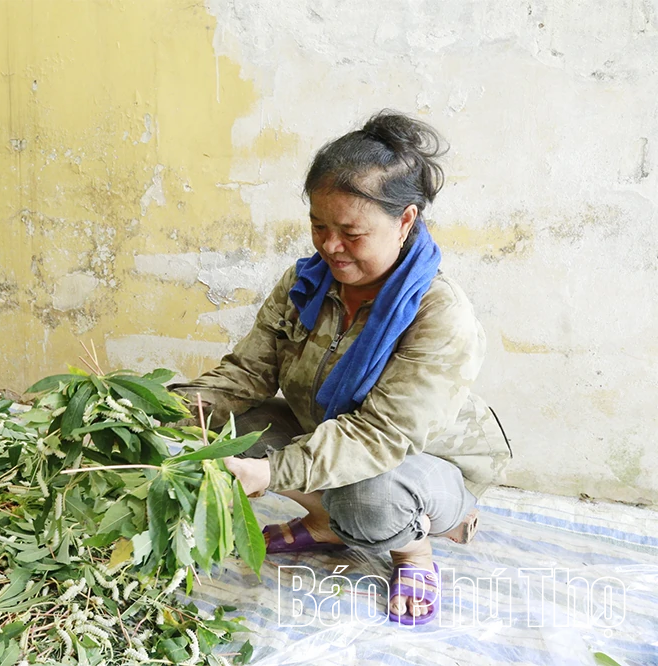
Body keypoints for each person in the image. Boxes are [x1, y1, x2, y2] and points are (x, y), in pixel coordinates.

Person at [171, 110, 512, 625]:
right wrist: (156, 410)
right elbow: (247, 373)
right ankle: (328, 522)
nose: (330, 246)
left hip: (423, 464)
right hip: (333, 434)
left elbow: (379, 437)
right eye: (318, 226)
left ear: (405, 221)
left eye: (350, 232)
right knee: (227, 427)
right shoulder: (306, 283)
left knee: (370, 494)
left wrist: (269, 473)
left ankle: (414, 550)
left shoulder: (438, 313)